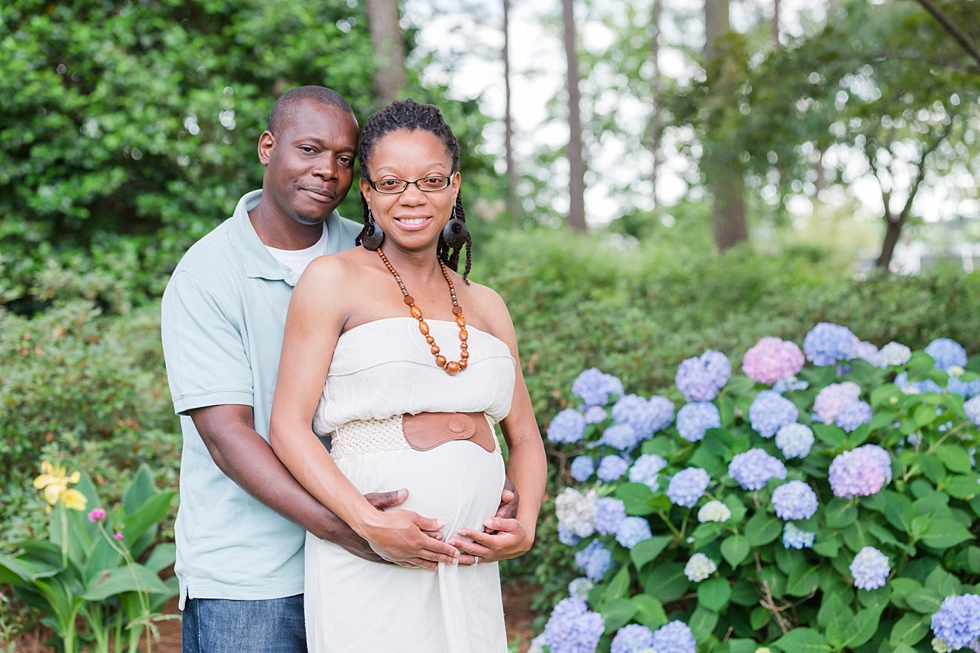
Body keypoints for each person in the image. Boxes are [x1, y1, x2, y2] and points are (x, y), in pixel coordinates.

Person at [161, 87, 512, 653]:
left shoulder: (373, 250)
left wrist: (483, 472)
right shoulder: (208, 273)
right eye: (308, 149)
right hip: (254, 577)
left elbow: (438, 372)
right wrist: (348, 528)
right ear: (267, 147)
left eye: (345, 159)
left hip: (388, 560)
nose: (327, 171)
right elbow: (227, 438)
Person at [269, 98, 547, 653]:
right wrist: (367, 525)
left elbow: (526, 439)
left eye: (431, 180)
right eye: (391, 182)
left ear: (454, 186)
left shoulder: (488, 304)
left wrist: (528, 523)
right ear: (368, 193)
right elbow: (288, 427)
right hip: (373, 557)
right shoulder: (333, 281)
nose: (412, 198)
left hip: (470, 562)